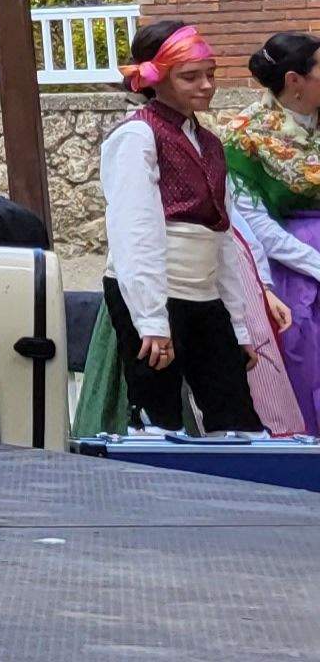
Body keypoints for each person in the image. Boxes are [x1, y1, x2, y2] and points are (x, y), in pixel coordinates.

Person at [83, 23, 288, 434]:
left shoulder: (209, 142)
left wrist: (238, 325)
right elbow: (135, 230)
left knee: (236, 415)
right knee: (158, 417)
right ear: (156, 79)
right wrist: (152, 320)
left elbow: (223, 237)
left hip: (204, 293)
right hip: (153, 291)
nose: (206, 85)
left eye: (210, 73)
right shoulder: (137, 136)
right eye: (190, 76)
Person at [224, 31, 320, 433]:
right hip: (291, 267)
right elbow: (255, 222)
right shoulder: (247, 135)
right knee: (304, 360)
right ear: (295, 80)